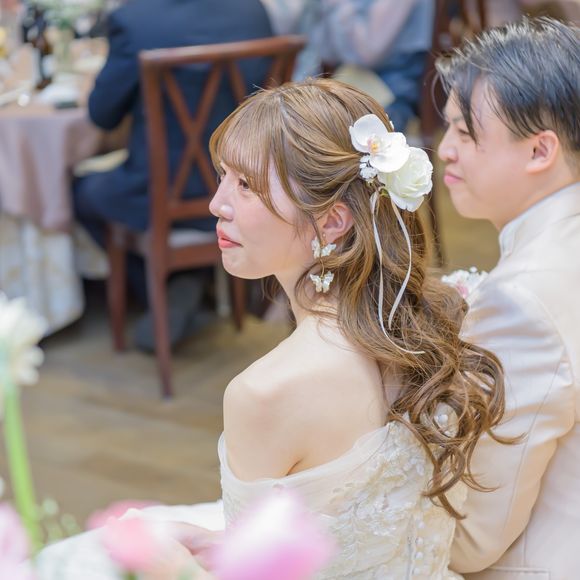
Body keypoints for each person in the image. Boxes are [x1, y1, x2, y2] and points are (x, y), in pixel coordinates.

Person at [37, 78, 507, 579]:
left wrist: (170, 567)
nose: (217, 204)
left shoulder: (264, 393)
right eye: (223, 177)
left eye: (246, 186)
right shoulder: (431, 324)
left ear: (332, 222)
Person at [436, 17, 580, 579]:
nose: (444, 151)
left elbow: (477, 541)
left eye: (465, 133)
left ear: (540, 150)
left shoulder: (523, 297)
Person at [73, 0, 272, 350]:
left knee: (80, 193)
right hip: (241, 190)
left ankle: (165, 290)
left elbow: (103, 114)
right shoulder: (252, 11)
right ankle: (189, 280)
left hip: (155, 193)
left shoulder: (134, 20)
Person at [261, 0, 435, 131]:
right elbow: (324, 51)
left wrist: (339, 5)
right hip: (346, 79)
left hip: (389, 91)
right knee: (288, 119)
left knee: (307, 130)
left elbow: (368, 52)